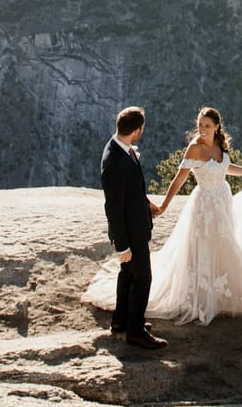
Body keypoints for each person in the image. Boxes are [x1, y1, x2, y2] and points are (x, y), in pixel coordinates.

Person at [85, 106, 242, 327]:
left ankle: (223, 295)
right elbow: (179, 179)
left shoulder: (220, 145)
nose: (202, 129)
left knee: (225, 246)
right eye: (199, 125)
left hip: (223, 202)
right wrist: (164, 205)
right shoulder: (194, 149)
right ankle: (199, 298)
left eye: (206, 125)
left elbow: (225, 168)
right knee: (202, 250)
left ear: (217, 127)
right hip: (204, 207)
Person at [99, 106, 168, 349]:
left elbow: (132, 191)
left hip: (136, 225)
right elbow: (113, 208)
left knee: (128, 275)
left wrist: (147, 204)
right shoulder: (114, 162)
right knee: (143, 278)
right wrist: (123, 245)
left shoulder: (120, 149)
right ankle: (136, 331)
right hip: (130, 233)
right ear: (137, 130)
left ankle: (121, 321)